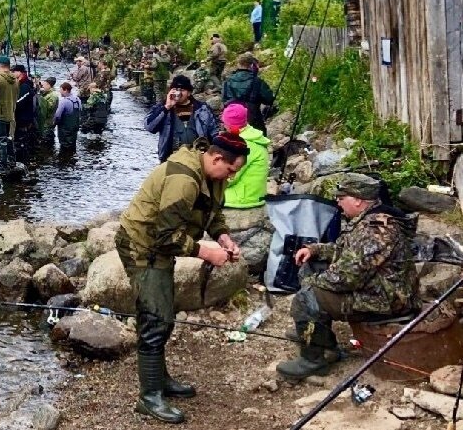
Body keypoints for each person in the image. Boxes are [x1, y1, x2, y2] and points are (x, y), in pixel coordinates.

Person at [115, 133, 249, 424]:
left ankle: (160, 381)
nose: (231, 177)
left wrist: (223, 238)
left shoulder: (212, 175)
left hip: (160, 247)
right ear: (216, 158)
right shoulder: (184, 180)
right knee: (155, 319)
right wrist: (207, 253)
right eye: (230, 171)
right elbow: (165, 237)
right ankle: (149, 397)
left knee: (164, 315)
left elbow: (213, 214)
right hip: (141, 246)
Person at [276, 173, 418, 380]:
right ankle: (318, 336)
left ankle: (314, 360)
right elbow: (344, 251)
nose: (338, 202)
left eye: (341, 198)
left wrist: (312, 284)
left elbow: (347, 278)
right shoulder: (366, 219)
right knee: (311, 266)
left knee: (306, 298)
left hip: (387, 299)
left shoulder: (376, 231)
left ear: (358, 200)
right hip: (375, 287)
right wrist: (315, 250)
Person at [145, 75, 218, 163]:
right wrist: (167, 107)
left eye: (182, 90)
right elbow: (149, 127)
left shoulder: (202, 109)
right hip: (171, 158)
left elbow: (214, 133)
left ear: (189, 93)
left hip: (198, 158)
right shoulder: (162, 107)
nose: (178, 93)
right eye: (175, 89)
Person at [221, 103, 271, 210]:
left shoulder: (243, 145)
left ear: (230, 126)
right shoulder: (253, 138)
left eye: (225, 123)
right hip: (254, 195)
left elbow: (231, 178)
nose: (224, 126)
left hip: (242, 198)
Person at [222, 53, 276, 134]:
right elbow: (269, 99)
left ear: (238, 64)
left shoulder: (228, 81)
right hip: (253, 120)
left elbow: (224, 101)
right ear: (252, 65)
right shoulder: (257, 81)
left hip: (232, 121)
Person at [11, 64, 38, 162]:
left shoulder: (25, 86)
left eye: (14, 71)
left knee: (20, 142)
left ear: (20, 73)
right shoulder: (22, 84)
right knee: (20, 142)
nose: (12, 73)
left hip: (23, 119)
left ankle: (22, 162)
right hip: (22, 118)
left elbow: (18, 103)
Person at [54, 82, 82, 150]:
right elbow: (80, 110)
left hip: (65, 129)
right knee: (73, 144)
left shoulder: (64, 101)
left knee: (64, 146)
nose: (60, 92)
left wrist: (54, 123)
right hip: (75, 127)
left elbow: (57, 116)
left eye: (61, 90)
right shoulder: (78, 99)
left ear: (65, 90)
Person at [36, 77, 59, 147]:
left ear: (49, 85)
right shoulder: (47, 93)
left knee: (46, 143)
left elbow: (48, 109)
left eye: (44, 85)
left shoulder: (53, 95)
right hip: (45, 123)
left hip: (47, 123)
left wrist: (40, 98)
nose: (42, 87)